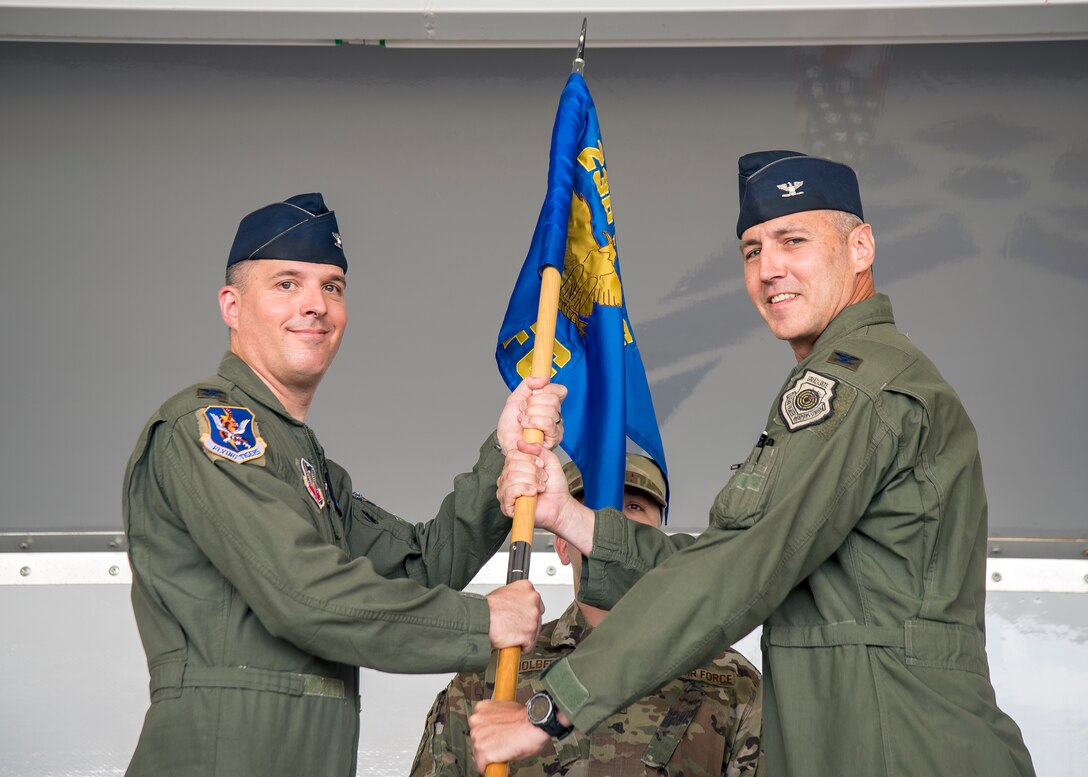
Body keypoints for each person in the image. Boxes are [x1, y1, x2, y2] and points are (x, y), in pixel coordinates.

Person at [469, 152, 1037, 776]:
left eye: (794, 240)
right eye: (751, 250)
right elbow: (732, 559)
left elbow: (738, 569)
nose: (770, 269)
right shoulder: (866, 376)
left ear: (861, 248)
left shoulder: (856, 386)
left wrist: (550, 708)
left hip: (899, 748)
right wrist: (569, 517)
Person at [121, 192, 567, 777]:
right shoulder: (211, 429)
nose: (315, 306)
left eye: (331, 287)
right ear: (232, 305)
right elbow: (302, 593)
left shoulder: (305, 461)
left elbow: (418, 568)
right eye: (287, 284)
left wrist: (501, 457)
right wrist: (481, 622)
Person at [409, 454, 762, 777]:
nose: (616, 524)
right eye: (595, 509)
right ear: (562, 544)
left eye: (634, 508)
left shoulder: (731, 677)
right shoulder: (492, 675)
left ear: (658, 540)